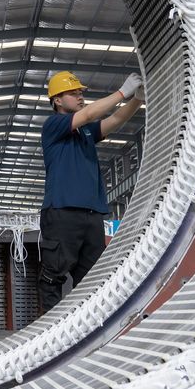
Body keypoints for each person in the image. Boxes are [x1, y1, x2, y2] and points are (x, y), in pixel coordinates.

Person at [38, 70, 144, 311]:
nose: (79, 97)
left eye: (80, 93)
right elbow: (88, 114)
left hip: (92, 215)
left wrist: (137, 99)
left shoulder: (85, 133)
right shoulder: (53, 125)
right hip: (62, 212)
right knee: (54, 274)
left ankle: (84, 325)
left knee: (91, 279)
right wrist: (121, 93)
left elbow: (115, 121)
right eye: (73, 93)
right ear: (56, 100)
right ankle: (48, 330)